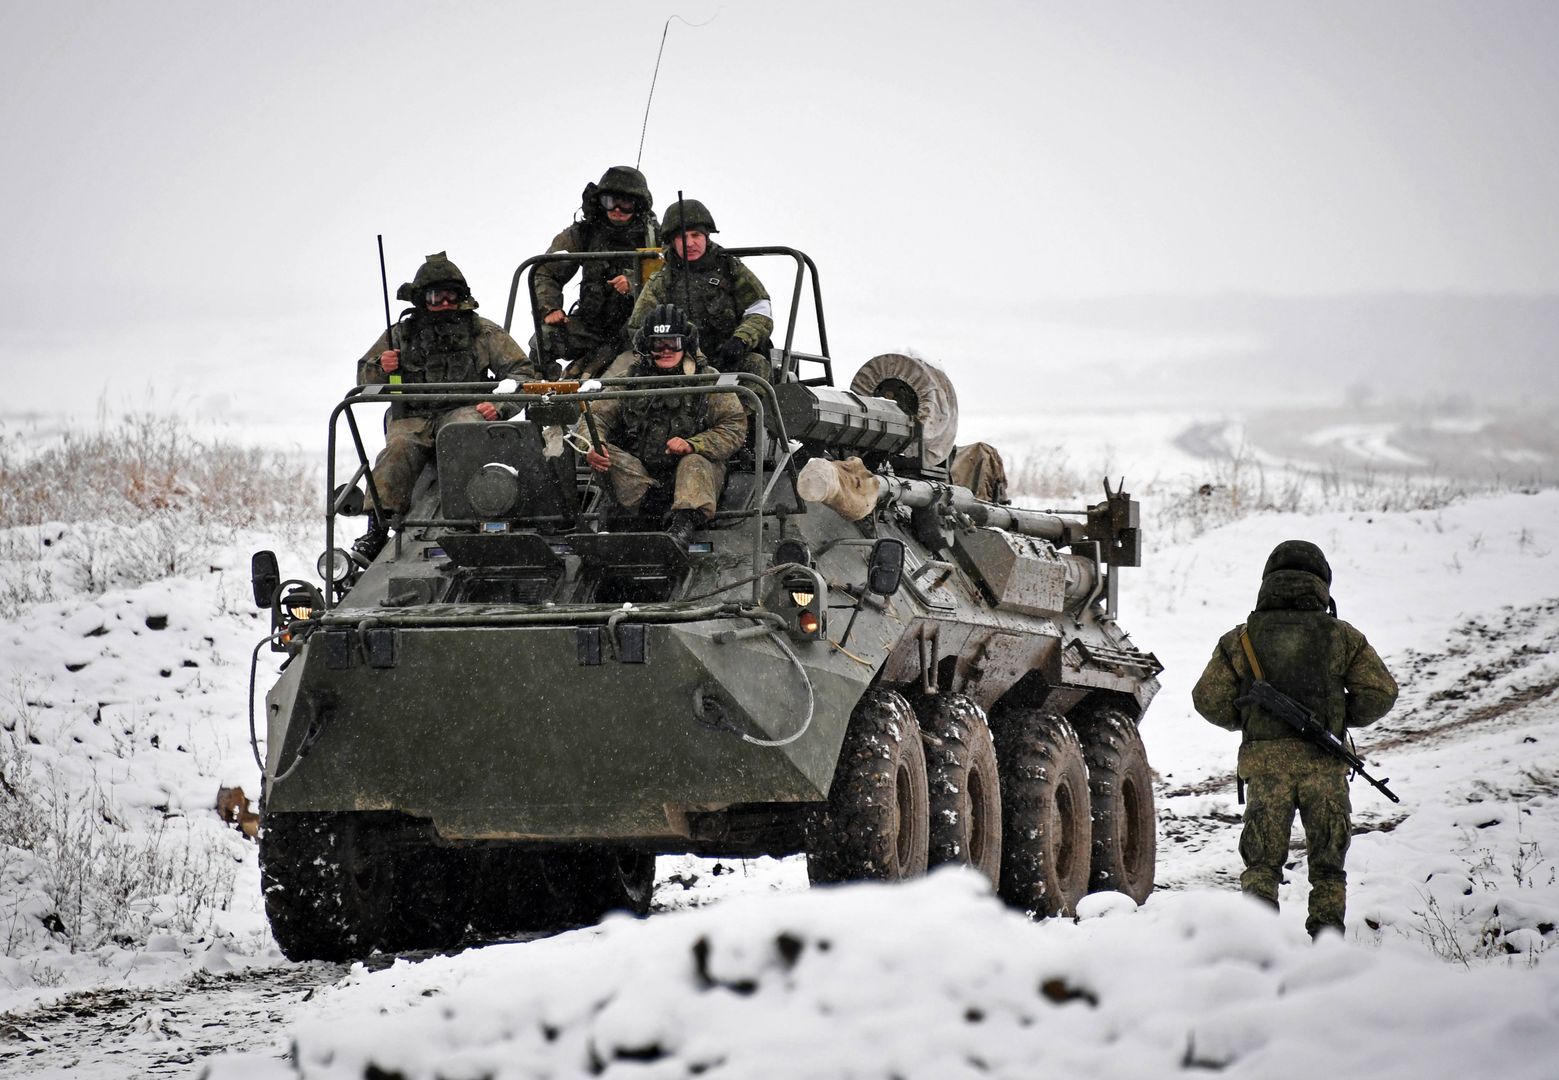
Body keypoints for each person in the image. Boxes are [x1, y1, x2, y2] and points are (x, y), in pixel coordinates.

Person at [1191, 540, 1399, 939]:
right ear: (1322, 583)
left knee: (1261, 864)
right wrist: (1339, 719)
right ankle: (1327, 945)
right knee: (1328, 865)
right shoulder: (1342, 637)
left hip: (1265, 767)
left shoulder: (1241, 638)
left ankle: (1257, 943)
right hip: (1324, 764)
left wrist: (1249, 721)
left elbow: (1207, 698)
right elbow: (1381, 692)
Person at [353, 251, 541, 559]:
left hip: (464, 409)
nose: (444, 303)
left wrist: (500, 405)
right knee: (397, 450)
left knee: (463, 435)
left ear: (461, 296)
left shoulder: (482, 331)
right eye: (436, 296)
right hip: (413, 415)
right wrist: (382, 367)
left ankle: (474, 516)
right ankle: (377, 530)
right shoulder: (400, 335)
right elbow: (364, 379)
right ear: (422, 299)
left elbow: (521, 372)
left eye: (450, 296)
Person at [576, 303, 747, 545]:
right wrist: (595, 445)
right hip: (642, 479)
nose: (666, 351)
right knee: (605, 455)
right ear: (647, 346)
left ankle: (681, 528)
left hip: (693, 478)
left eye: (673, 344)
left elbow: (734, 426)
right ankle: (644, 513)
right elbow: (595, 416)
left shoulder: (710, 380)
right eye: (658, 344)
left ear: (685, 344)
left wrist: (693, 444)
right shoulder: (628, 381)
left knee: (693, 462)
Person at [627, 198, 773, 381]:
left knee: (754, 365)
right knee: (632, 374)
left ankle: (743, 410)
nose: (689, 243)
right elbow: (638, 325)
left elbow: (760, 311)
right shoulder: (662, 281)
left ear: (707, 236)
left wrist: (740, 340)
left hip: (726, 364)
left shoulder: (731, 270)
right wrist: (665, 349)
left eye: (695, 235)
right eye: (682, 237)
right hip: (677, 365)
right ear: (672, 241)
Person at [533, 166, 659, 378]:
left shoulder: (655, 238)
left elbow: (668, 278)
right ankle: (548, 398)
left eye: (625, 203)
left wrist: (633, 281)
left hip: (636, 329)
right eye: (610, 202)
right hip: (591, 325)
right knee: (543, 338)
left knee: (623, 369)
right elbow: (545, 272)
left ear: (638, 205)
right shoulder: (584, 233)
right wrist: (550, 308)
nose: (617, 209)